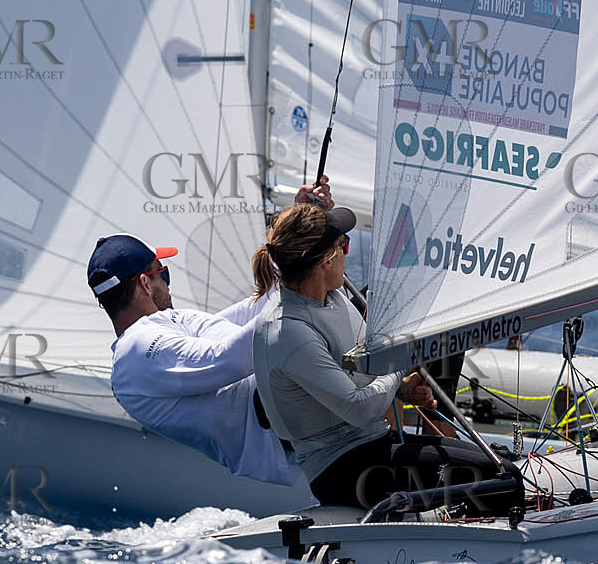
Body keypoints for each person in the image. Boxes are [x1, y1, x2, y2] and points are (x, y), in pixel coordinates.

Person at [252, 203, 510, 511]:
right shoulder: (288, 331)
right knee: (502, 480)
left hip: (372, 447)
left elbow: (350, 371)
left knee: (502, 468)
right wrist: (398, 369)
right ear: (326, 260)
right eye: (341, 246)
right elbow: (359, 409)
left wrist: (401, 390)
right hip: (342, 469)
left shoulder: (330, 299)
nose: (345, 254)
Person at [90, 181, 333, 486]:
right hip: (294, 434)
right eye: (162, 273)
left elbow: (252, 313)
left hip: (305, 415)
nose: (167, 281)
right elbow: (231, 357)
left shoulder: (167, 325)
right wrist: (301, 271)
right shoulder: (136, 353)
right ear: (144, 284)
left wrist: (299, 225)